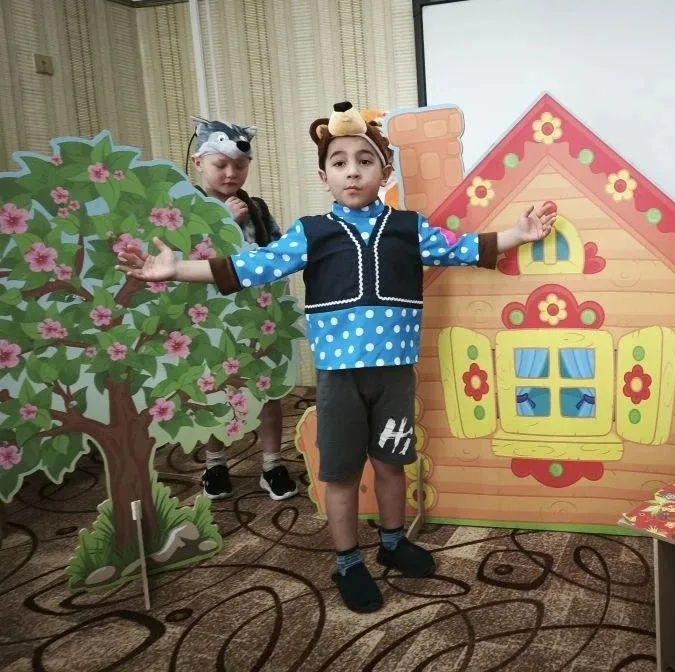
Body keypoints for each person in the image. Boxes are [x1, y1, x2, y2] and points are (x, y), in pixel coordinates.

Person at [118, 101, 556, 613]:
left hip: (394, 375)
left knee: (393, 462)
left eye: (365, 161)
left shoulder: (409, 227)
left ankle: (392, 542)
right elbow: (251, 266)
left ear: (384, 173)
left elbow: (461, 248)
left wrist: (518, 235)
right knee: (342, 472)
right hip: (338, 379)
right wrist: (176, 270)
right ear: (323, 175)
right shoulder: (311, 232)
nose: (352, 171)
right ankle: (348, 561)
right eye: (340, 162)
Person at [189, 117, 299, 502]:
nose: (231, 173)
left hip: (257, 317)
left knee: (269, 388)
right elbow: (187, 259)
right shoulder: (187, 209)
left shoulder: (257, 208)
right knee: (213, 390)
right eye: (220, 165)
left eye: (239, 165)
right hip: (209, 320)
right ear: (198, 163)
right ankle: (215, 462)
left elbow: (277, 252)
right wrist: (226, 224)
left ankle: (272, 463)